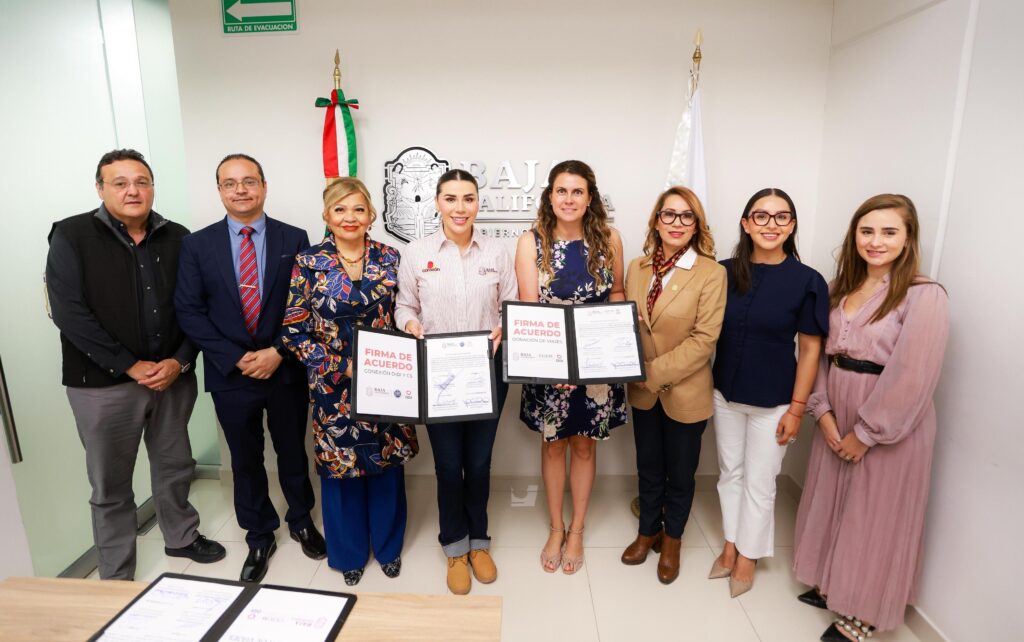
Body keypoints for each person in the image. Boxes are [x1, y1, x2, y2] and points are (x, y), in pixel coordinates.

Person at [45, 148, 225, 580]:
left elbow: (196, 307)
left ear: (152, 187)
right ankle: (117, 572)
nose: (133, 191)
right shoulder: (71, 235)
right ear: (100, 188)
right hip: (102, 387)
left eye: (142, 182)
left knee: (175, 465)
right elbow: (69, 313)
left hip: (170, 380)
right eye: (120, 183)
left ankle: (181, 536)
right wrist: (129, 365)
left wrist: (180, 361)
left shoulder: (178, 237)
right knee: (110, 484)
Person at [792, 194, 948, 641]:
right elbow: (820, 354)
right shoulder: (839, 289)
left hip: (890, 418)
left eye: (889, 232)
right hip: (836, 406)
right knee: (834, 499)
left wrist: (866, 433)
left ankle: (866, 612)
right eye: (867, 231)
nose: (875, 241)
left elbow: (913, 374)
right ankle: (833, 583)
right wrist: (822, 412)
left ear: (908, 238)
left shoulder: (924, 295)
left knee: (876, 513)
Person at [175, 154, 326, 583]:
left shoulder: (293, 237)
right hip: (230, 373)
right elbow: (189, 311)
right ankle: (259, 535)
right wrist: (235, 357)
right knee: (244, 459)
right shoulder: (197, 245)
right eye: (230, 183)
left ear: (264, 186)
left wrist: (278, 350)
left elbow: (304, 303)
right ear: (219, 190)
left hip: (284, 368)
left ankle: (301, 520)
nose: (240, 190)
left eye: (248, 181)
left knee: (293, 451)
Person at [282, 177, 418, 586]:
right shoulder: (309, 262)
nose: (350, 217)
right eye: (340, 209)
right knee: (340, 471)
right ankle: (350, 555)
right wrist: (342, 366)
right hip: (332, 388)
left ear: (371, 214)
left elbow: (406, 311)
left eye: (358, 209)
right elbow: (294, 330)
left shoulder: (391, 258)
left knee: (386, 464)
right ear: (327, 215)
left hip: (389, 381)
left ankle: (389, 548)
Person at [395, 169, 518, 595]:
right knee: (448, 465)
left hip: (486, 372)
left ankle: (479, 542)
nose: (460, 208)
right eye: (451, 199)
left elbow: (510, 304)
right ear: (437, 203)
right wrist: (410, 324)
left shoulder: (497, 252)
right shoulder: (417, 252)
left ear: (478, 203)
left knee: (480, 463)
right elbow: (404, 305)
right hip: (439, 373)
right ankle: (454, 546)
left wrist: (503, 326)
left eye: (468, 199)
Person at [708, 188, 828, 597]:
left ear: (792, 225)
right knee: (730, 473)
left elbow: (810, 350)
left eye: (781, 217)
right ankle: (730, 543)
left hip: (776, 400)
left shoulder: (807, 281)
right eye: (761, 216)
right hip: (725, 393)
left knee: (761, 482)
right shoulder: (722, 273)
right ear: (746, 224)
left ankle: (749, 555)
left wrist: (797, 409)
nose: (771, 225)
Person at [516, 160, 627, 575]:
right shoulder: (531, 242)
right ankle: (556, 528)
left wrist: (615, 341)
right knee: (553, 445)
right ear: (550, 197)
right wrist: (554, 366)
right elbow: (529, 309)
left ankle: (577, 530)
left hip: (596, 366)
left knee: (584, 445)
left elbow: (616, 293)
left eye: (577, 191)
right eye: (561, 191)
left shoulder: (609, 239)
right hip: (550, 365)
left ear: (589, 197)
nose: (569, 199)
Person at [619, 186, 726, 584]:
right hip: (643, 394)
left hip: (684, 391)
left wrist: (651, 374)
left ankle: (673, 540)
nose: (677, 223)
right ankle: (648, 531)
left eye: (686, 216)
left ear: (697, 225)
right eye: (669, 214)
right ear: (656, 221)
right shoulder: (637, 268)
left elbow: (704, 340)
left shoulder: (712, 273)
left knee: (680, 474)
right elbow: (629, 323)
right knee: (648, 467)